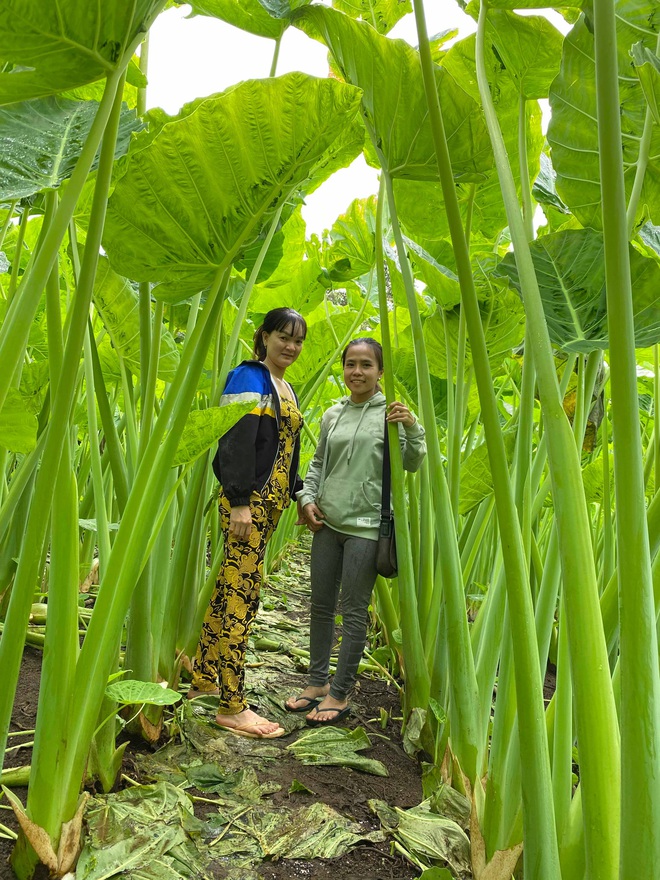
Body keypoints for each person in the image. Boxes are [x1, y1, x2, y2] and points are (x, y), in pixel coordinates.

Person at [286, 338, 426, 725]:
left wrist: (413, 428)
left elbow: (413, 462)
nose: (357, 372)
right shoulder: (333, 414)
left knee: (353, 612)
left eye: (366, 365)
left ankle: (340, 692)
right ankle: (315, 683)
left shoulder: (393, 414)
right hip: (327, 522)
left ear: (380, 371)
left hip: (366, 526)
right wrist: (307, 497)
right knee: (320, 605)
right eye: (351, 364)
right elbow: (318, 464)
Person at [189, 307, 307, 738]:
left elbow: (285, 451)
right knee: (243, 597)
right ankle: (233, 705)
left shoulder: (285, 387)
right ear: (265, 336)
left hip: (270, 506)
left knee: (228, 588)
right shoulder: (249, 377)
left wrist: (299, 496)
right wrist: (239, 500)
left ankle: (203, 681)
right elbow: (234, 439)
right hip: (248, 505)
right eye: (283, 337)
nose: (290, 346)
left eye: (297, 341)